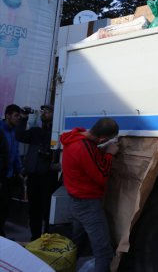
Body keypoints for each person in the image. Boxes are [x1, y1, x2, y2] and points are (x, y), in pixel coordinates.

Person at [61, 118, 119, 272]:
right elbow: (102, 175)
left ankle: (66, 268)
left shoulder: (76, 137)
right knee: (103, 252)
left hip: (76, 202)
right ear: (103, 139)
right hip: (87, 205)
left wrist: (101, 149)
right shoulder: (83, 148)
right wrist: (110, 154)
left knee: (76, 246)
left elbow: (88, 159)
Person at [15, 104, 60, 240]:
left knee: (47, 210)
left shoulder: (57, 133)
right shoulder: (36, 132)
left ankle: (47, 238)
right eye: (43, 111)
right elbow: (19, 135)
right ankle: (35, 238)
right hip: (33, 177)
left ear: (55, 114)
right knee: (33, 209)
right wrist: (23, 118)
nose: (44, 113)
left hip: (49, 178)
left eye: (48, 111)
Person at [0, 104, 22, 236]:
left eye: (19, 116)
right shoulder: (1, 131)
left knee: (5, 208)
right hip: (1, 177)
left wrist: (19, 170)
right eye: (16, 115)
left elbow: (16, 153)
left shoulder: (13, 132)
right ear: (7, 115)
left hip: (9, 177)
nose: (18, 118)